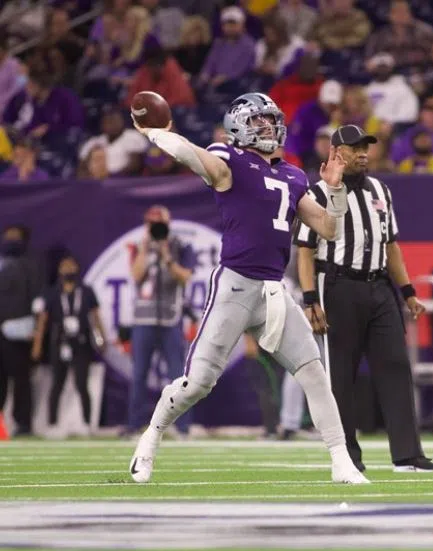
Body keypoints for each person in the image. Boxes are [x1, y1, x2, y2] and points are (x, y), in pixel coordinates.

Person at [128, 93, 367, 486]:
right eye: (260, 122)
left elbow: (328, 228)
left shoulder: (292, 175)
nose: (269, 128)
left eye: (272, 121)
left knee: (314, 374)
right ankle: (150, 437)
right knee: (197, 384)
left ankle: (342, 462)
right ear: (240, 126)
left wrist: (336, 190)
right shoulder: (229, 160)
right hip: (236, 285)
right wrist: (156, 132)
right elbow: (190, 155)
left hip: (274, 291)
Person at [294, 124, 433, 473]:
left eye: (365, 147)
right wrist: (310, 299)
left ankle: (407, 455)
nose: (362, 153)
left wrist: (407, 293)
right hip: (337, 285)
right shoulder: (316, 192)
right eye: (354, 147)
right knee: (340, 376)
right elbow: (304, 251)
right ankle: (346, 457)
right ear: (336, 152)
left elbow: (391, 246)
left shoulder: (380, 189)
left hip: (378, 287)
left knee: (395, 365)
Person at [126, 205, 196, 438]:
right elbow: (136, 276)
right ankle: (134, 425)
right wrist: (146, 250)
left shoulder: (180, 246)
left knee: (178, 375)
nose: (155, 227)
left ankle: (182, 427)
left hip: (170, 319)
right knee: (138, 375)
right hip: (143, 319)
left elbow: (186, 277)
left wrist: (167, 257)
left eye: (159, 223)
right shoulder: (140, 246)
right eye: (151, 223)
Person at [31, 255, 106, 438]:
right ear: (59, 270)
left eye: (71, 266)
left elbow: (95, 315)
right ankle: (52, 424)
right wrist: (38, 344)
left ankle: (87, 423)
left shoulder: (86, 291)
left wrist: (102, 337)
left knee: (82, 383)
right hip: (60, 342)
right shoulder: (52, 292)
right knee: (57, 383)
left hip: (81, 342)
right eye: (64, 266)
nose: (68, 270)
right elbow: (43, 320)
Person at [0, 225, 43, 436]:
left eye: (15, 237)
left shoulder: (31, 266)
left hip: (18, 332)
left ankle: (23, 424)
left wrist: (35, 334)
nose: (10, 240)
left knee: (21, 381)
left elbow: (38, 303)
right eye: (7, 236)